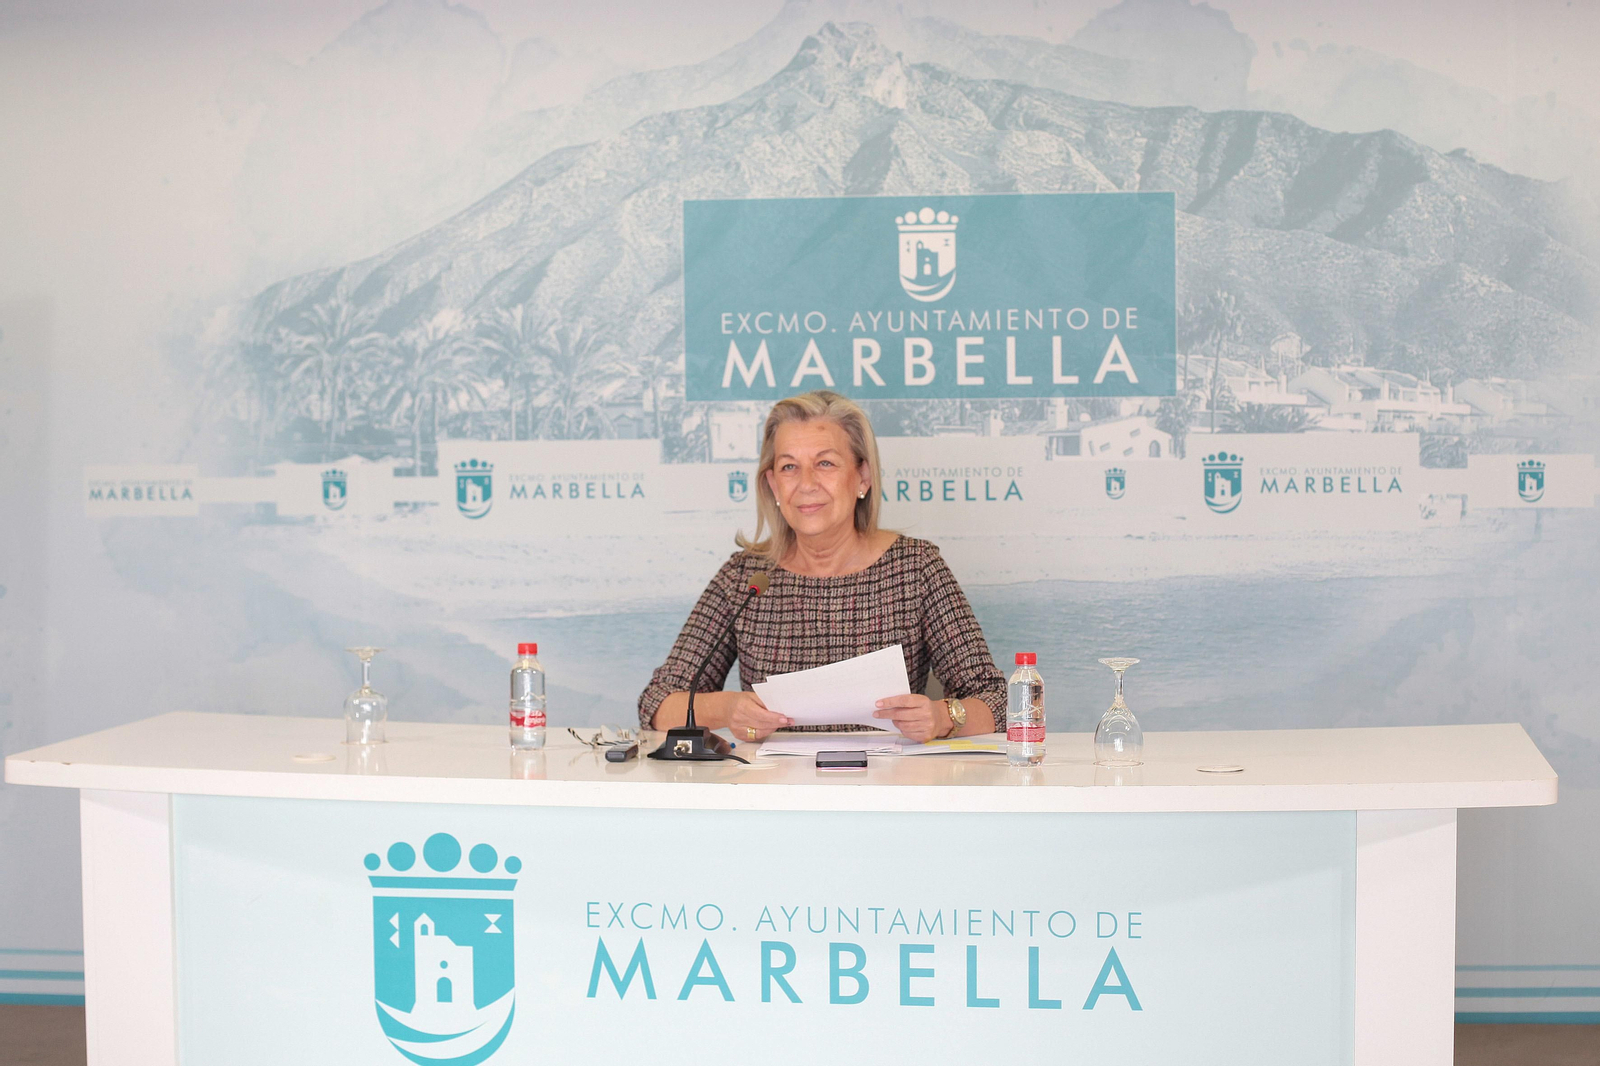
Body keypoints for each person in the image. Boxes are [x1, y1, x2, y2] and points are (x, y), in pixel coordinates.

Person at [638, 390, 1006, 744]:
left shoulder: (915, 569)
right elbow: (657, 704)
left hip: (890, 791)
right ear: (773, 484)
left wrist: (942, 718)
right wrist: (728, 708)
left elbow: (999, 702)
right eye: (789, 467)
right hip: (773, 795)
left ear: (862, 477)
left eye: (825, 463)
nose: (806, 484)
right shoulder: (745, 577)